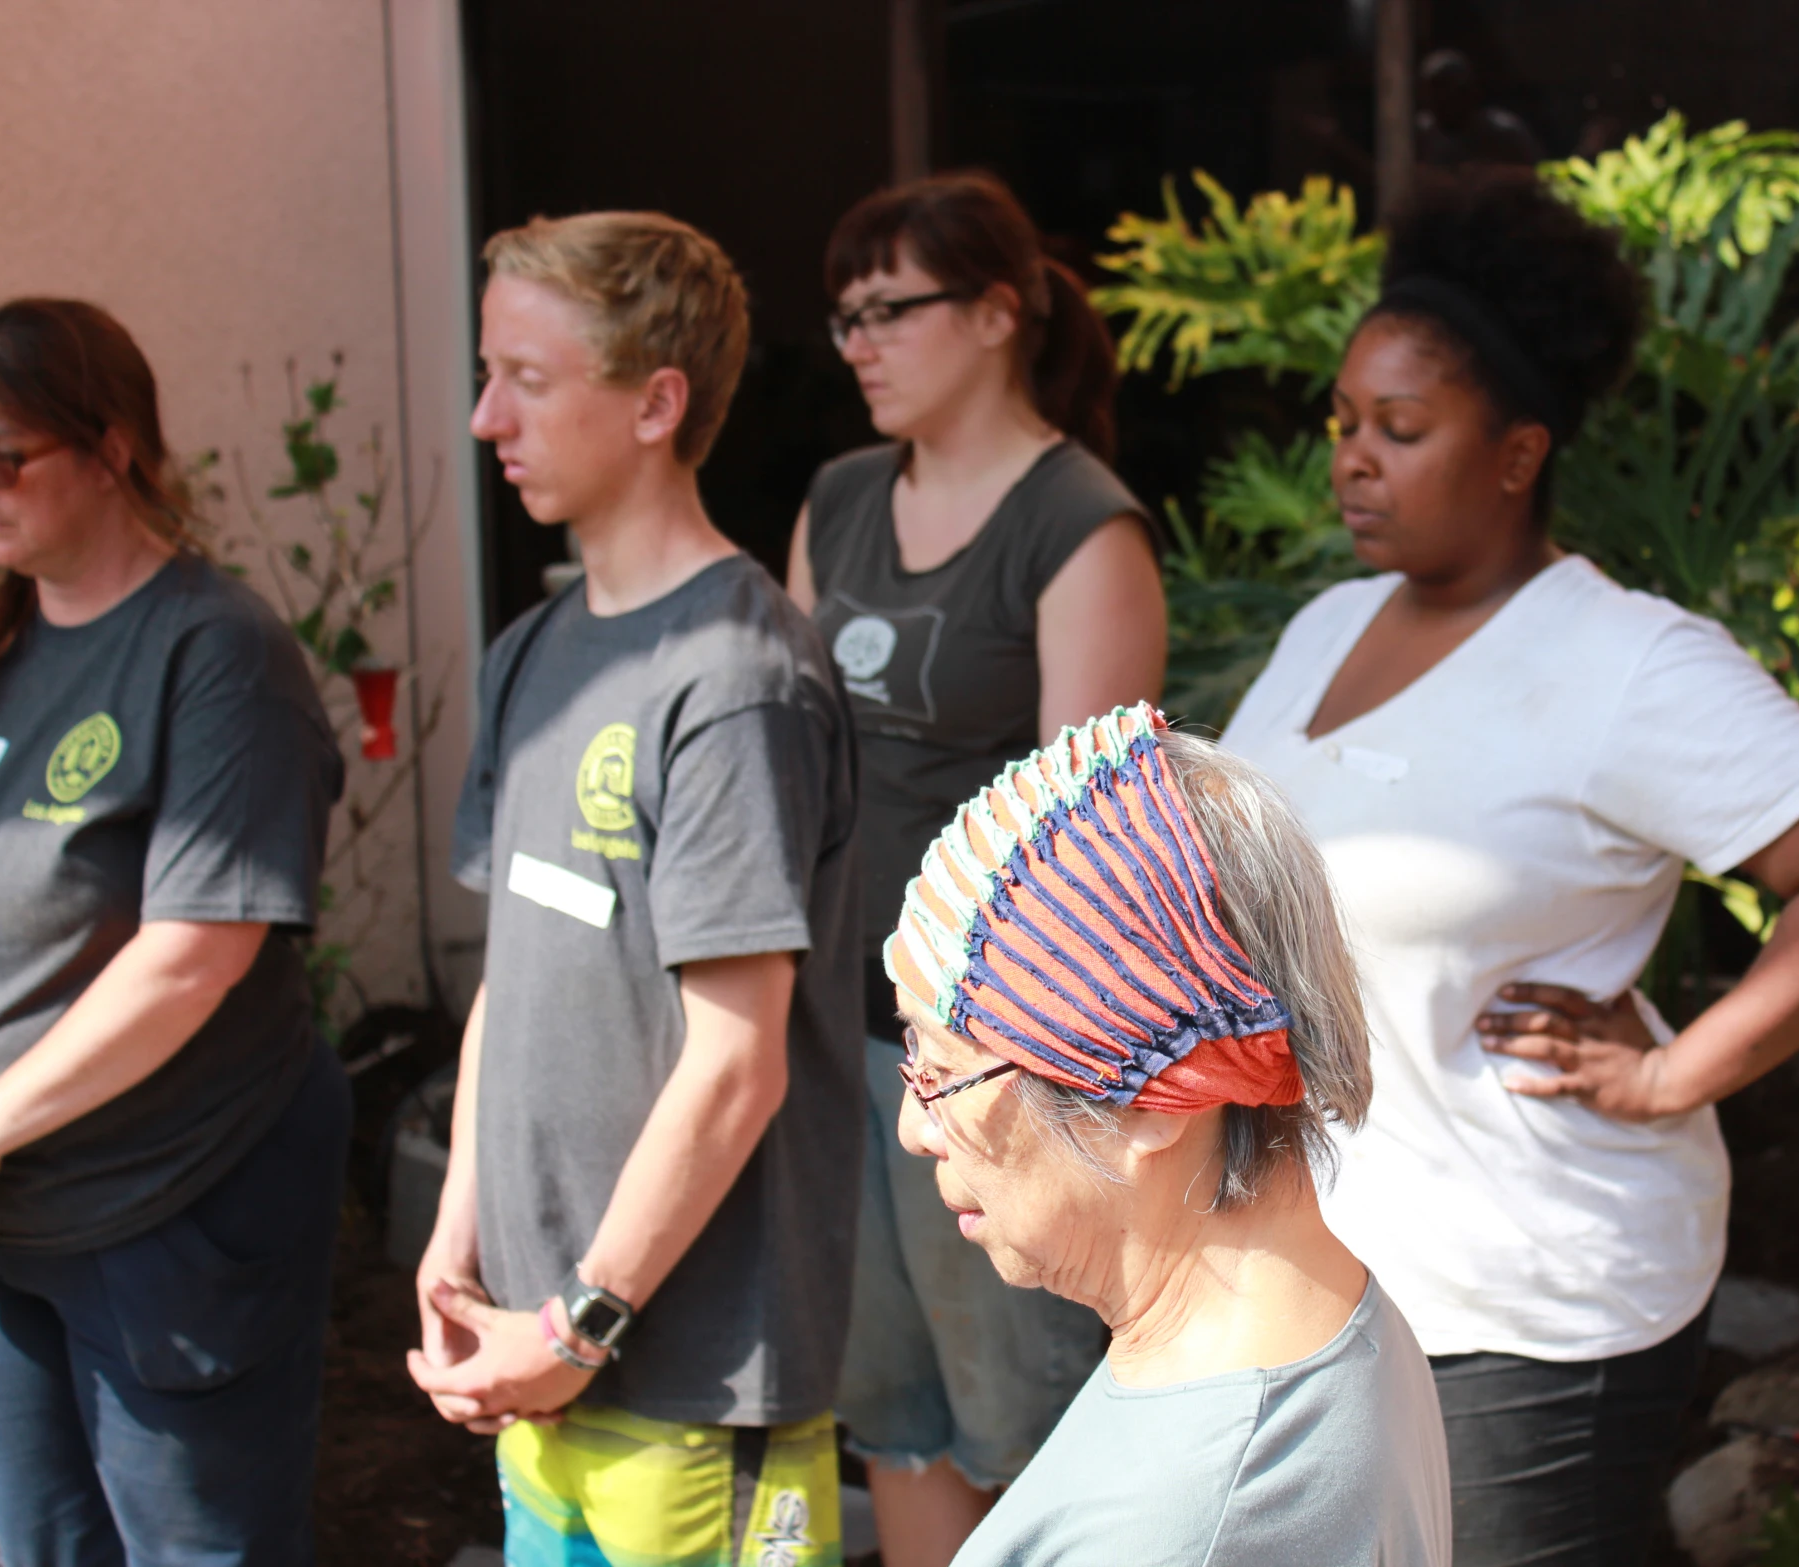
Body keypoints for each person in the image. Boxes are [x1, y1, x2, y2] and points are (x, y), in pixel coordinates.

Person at [1219, 168, 1799, 1565]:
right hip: (1329, 1272)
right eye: (1345, 423)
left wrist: (1676, 1068)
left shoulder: (1626, 664)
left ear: (1517, 451)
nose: (1352, 459)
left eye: (1402, 428)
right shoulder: (1325, 625)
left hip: (1529, 1293)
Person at [409, 211, 864, 1567]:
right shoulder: (533, 650)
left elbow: (737, 1065)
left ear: (657, 401)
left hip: (690, 1375)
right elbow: (517, 965)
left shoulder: (736, 680)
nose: (488, 414)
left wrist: (578, 1321)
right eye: (487, 372)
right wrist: (458, 1246)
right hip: (543, 1353)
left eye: (528, 379)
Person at [785, 171, 1166, 1567]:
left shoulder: (1078, 524)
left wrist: (982, 1065)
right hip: (838, 1037)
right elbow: (790, 764)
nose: (859, 343)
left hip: (992, 1059)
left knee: (1025, 1419)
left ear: (998, 312)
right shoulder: (834, 502)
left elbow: (1081, 849)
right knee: (888, 1413)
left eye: (889, 309)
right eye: (844, 319)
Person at [884, 703, 1451, 1566]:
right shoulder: (1336, 1323)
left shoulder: (1182, 1526)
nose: (914, 1128)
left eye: (943, 1073)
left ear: (1154, 1098)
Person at [0, 298, 346, 1562]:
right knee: (43, 1547)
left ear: (112, 445)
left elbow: (197, 951)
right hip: (6, 1213)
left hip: (166, 1206)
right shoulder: (4, 644)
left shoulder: (217, 651)